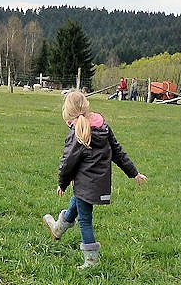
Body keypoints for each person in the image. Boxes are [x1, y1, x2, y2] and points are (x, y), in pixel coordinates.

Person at [42, 90, 148, 269]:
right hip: (99, 184)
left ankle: (91, 261)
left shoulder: (77, 132)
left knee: (85, 220)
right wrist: (134, 172)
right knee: (76, 203)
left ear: (68, 113)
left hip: (85, 184)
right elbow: (118, 151)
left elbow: (67, 162)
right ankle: (58, 228)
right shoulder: (103, 126)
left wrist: (62, 183)